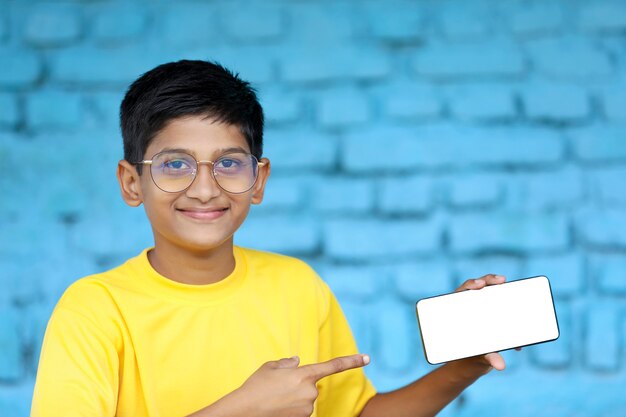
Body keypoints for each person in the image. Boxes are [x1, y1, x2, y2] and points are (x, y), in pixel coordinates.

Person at [31, 59, 509, 417]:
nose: (204, 187)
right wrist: (239, 409)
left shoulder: (297, 286)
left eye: (228, 163)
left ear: (258, 181)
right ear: (131, 182)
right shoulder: (95, 311)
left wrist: (463, 366)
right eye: (174, 164)